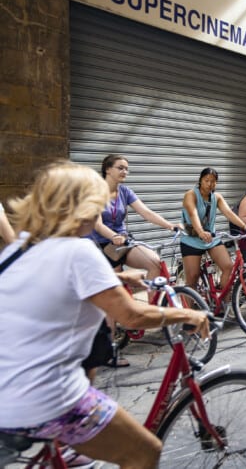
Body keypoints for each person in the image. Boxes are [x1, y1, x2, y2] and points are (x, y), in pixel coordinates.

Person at [0, 161, 209, 469]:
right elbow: (132, 316)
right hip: (45, 398)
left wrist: (119, 279)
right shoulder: (80, 251)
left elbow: (53, 283)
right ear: (81, 208)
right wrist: (188, 316)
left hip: (6, 393)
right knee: (144, 451)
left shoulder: (18, 249)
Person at [91, 154, 181, 279]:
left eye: (127, 169)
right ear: (107, 169)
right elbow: (98, 225)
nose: (125, 172)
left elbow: (146, 213)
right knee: (116, 281)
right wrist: (114, 236)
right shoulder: (94, 192)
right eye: (120, 168)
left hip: (123, 241)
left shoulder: (125, 192)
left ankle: (153, 299)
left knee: (155, 263)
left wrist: (170, 225)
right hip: (102, 243)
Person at [180, 168, 246, 294]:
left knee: (228, 266)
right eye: (206, 180)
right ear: (200, 180)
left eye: (213, 181)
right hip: (191, 240)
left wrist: (244, 226)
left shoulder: (216, 197)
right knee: (192, 278)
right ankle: (189, 311)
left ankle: (224, 304)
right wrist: (200, 231)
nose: (210, 184)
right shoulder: (191, 195)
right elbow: (193, 214)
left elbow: (228, 213)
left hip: (211, 239)